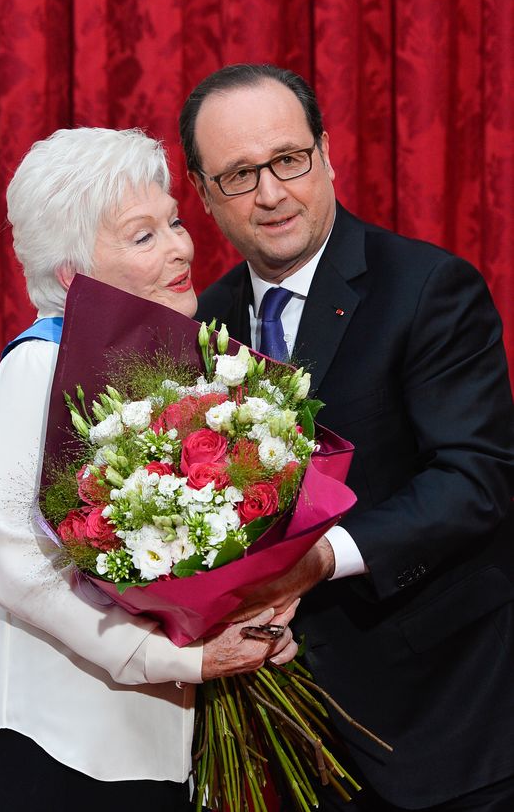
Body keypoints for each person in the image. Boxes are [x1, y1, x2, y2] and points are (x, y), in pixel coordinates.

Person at [182, 64, 514, 812]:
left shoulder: (427, 287)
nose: (270, 194)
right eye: (239, 175)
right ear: (204, 195)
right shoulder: (205, 322)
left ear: (326, 154)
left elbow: (478, 478)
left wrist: (319, 559)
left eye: (288, 160)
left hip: (448, 729)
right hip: (299, 740)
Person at [0, 127, 299, 812]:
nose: (179, 246)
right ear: (72, 275)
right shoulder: (36, 371)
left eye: (173, 221)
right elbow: (25, 574)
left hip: (154, 750)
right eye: (143, 237)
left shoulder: (169, 380)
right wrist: (186, 659)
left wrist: (252, 609)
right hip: (56, 749)